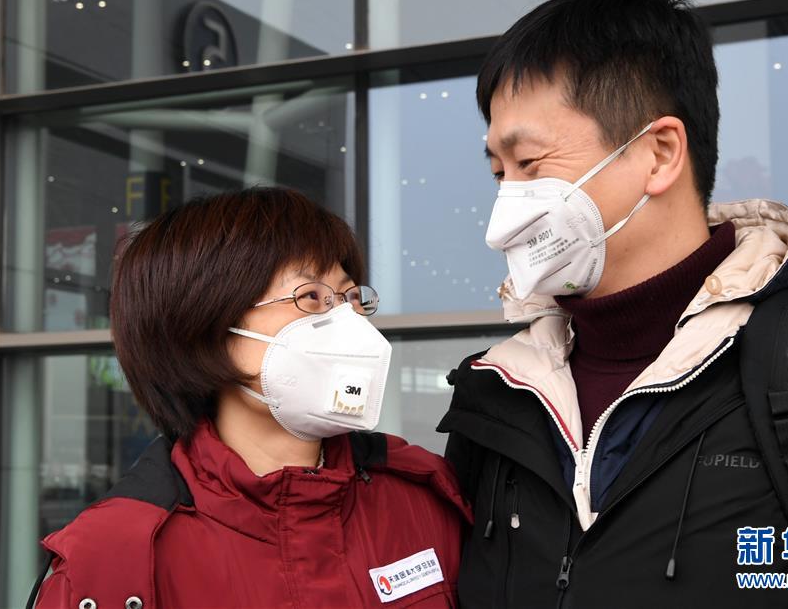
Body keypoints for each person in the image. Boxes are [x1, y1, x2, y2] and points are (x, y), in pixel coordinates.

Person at [437, 0, 788, 608]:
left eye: (530, 164)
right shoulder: (495, 395)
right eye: (499, 173)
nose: (503, 215)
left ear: (659, 154)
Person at [30, 187, 470, 608]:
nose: (347, 319)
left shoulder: (421, 497)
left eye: (351, 297)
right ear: (205, 326)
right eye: (311, 297)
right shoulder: (111, 559)